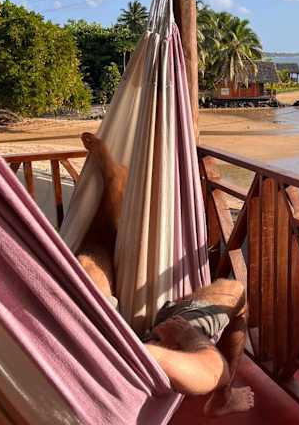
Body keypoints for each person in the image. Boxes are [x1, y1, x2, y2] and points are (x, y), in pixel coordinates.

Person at [75, 132, 254, 416]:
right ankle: (223, 399)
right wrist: (187, 335)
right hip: (149, 347)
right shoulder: (147, 358)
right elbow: (213, 371)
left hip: (92, 334)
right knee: (235, 292)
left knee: (88, 263)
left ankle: (114, 183)